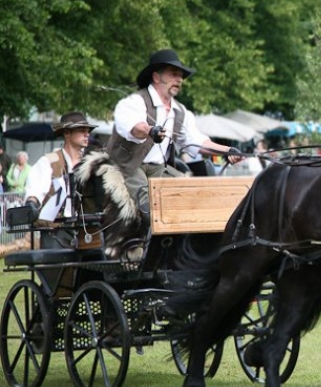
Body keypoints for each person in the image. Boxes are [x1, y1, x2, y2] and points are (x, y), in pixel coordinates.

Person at [107, 49, 243, 218]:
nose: (180, 79)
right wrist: (151, 130)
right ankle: (142, 244)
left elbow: (197, 141)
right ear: (156, 77)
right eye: (174, 74)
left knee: (190, 197)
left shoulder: (180, 112)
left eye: (181, 76)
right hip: (127, 167)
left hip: (158, 170)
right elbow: (135, 127)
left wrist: (227, 150)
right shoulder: (134, 102)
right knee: (151, 205)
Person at [23, 112, 97, 243]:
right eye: (81, 130)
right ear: (67, 133)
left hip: (87, 229)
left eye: (88, 131)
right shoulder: (49, 161)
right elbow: (35, 192)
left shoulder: (93, 163)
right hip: (55, 230)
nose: (87, 134)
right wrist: (31, 203)